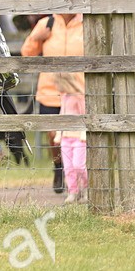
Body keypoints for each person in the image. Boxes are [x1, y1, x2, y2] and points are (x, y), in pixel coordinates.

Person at [22, 0, 85, 195]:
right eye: (70, 0)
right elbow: (27, 54)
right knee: (54, 137)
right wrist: (36, 38)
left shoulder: (87, 22)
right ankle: (59, 168)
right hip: (51, 91)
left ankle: (80, 178)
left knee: (79, 137)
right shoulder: (47, 23)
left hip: (79, 92)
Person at [53, 72, 88, 203]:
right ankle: (72, 191)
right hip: (66, 137)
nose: (56, 86)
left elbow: (84, 114)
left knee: (79, 165)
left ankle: (86, 188)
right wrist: (58, 133)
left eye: (57, 83)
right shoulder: (64, 97)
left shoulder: (79, 97)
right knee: (68, 167)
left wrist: (84, 133)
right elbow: (62, 115)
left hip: (79, 137)